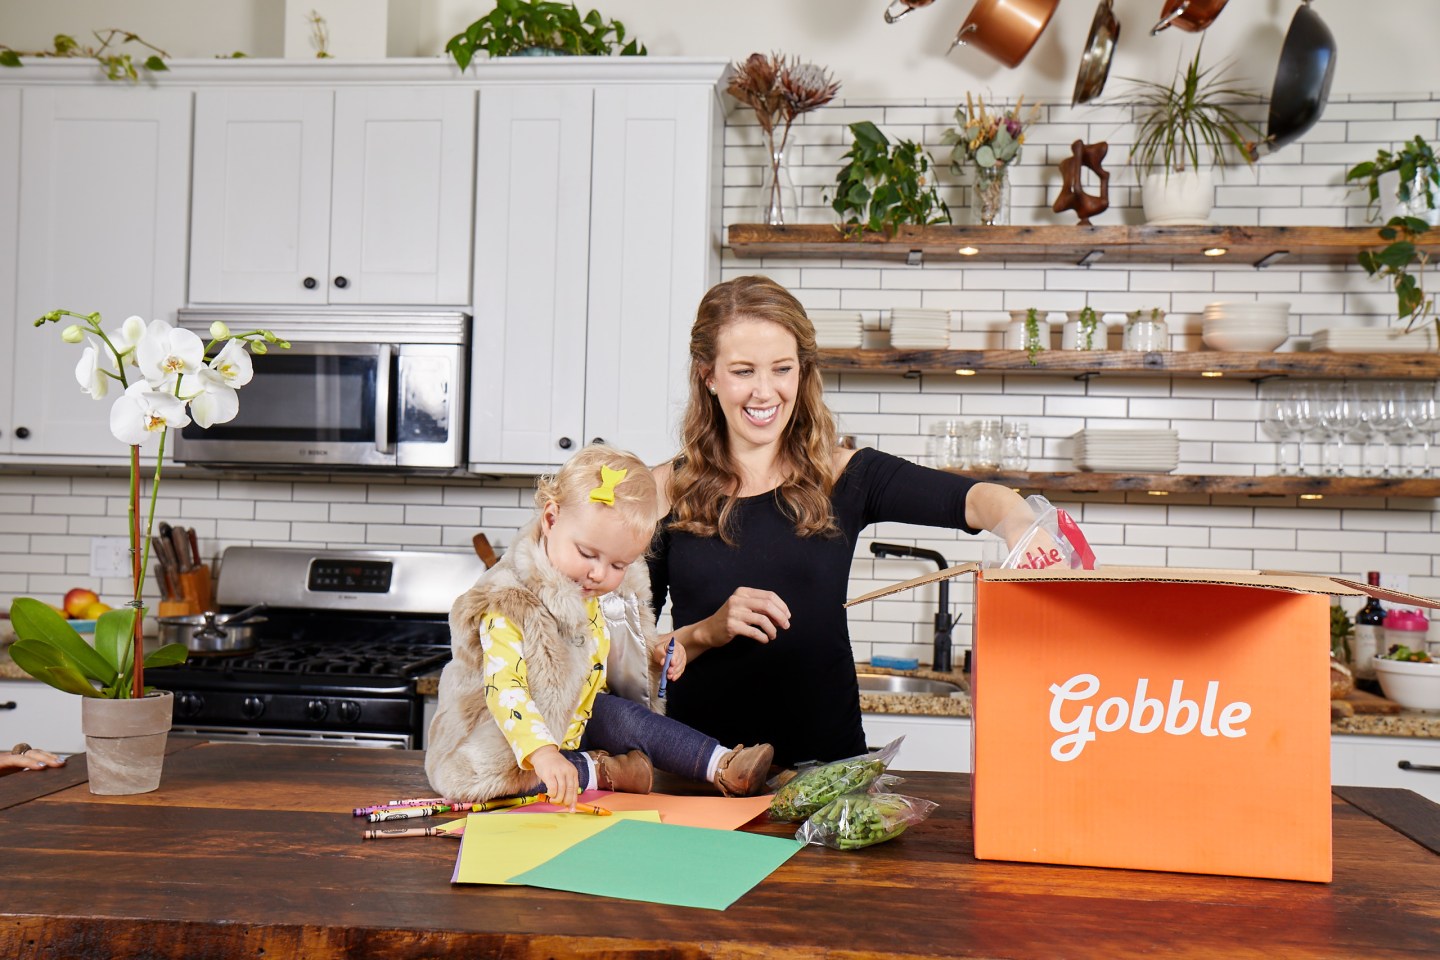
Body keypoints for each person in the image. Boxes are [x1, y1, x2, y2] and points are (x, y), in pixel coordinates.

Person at [648, 275, 1078, 768]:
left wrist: (1021, 523)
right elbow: (624, 663)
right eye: (743, 371)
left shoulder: (844, 476)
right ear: (708, 375)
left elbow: (978, 501)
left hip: (828, 782)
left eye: (782, 369)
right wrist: (706, 631)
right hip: (698, 775)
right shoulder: (663, 492)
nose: (765, 392)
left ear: (802, 372)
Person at [426, 444, 774, 807]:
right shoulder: (510, 601)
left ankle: (723, 764)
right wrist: (543, 752)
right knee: (513, 778)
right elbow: (506, 690)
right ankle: (601, 770)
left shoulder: (599, 594)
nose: (598, 574)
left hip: (572, 720)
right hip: (503, 734)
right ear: (550, 519)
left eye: (618, 565)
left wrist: (654, 657)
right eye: (588, 555)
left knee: (625, 716)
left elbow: (608, 669)